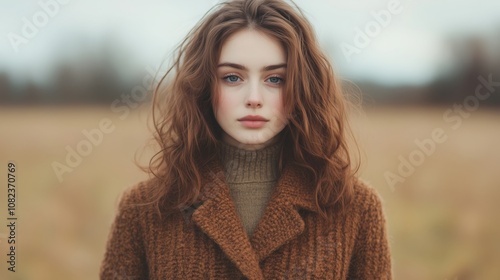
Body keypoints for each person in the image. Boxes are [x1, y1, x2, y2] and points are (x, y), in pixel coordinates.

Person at [100, 0, 392, 279]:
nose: (254, 99)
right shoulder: (145, 208)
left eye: (275, 79)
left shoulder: (354, 207)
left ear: (303, 87)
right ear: (203, 85)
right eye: (232, 77)